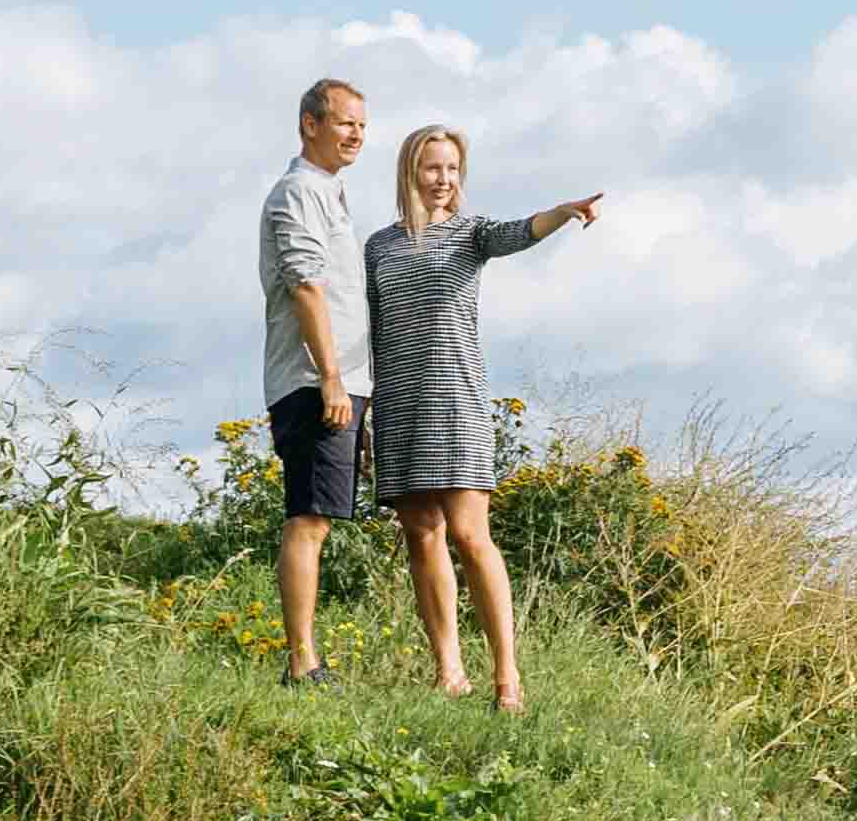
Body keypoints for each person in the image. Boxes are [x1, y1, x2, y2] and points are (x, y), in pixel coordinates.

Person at [361, 124, 600, 710]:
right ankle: (448, 670)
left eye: (452, 170)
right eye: (432, 168)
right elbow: (369, 333)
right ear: (409, 172)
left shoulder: (472, 235)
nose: (442, 180)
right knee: (421, 535)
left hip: (457, 400)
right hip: (399, 401)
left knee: (470, 535)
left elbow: (519, 232)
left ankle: (507, 677)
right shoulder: (378, 248)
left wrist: (562, 213)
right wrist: (364, 412)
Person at [255, 76, 374, 682]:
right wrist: (331, 378)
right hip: (310, 378)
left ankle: (305, 659)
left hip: (338, 379)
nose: (356, 134)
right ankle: (302, 662)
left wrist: (358, 393)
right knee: (309, 516)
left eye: (361, 125)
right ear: (311, 124)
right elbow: (305, 285)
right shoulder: (299, 192)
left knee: (320, 516)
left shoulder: (330, 193)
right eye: (345, 122)